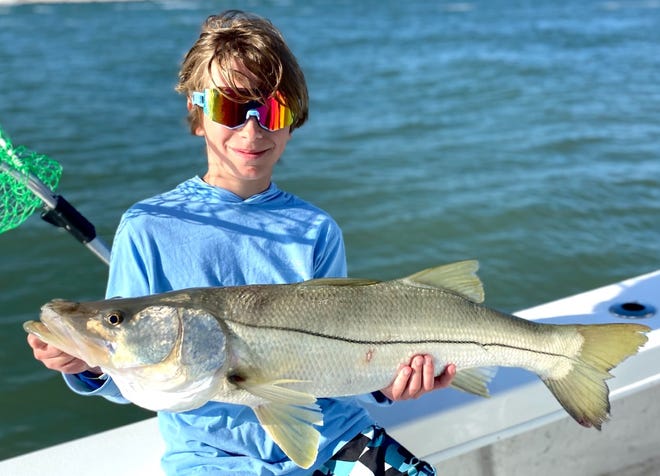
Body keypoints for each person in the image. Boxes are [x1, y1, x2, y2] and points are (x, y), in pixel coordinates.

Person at [27, 10, 456, 475]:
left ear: (293, 121)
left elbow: (338, 357)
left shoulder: (315, 229)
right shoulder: (147, 227)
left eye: (271, 111)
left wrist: (386, 384)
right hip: (212, 459)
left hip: (334, 437)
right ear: (197, 116)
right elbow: (130, 371)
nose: (252, 131)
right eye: (230, 109)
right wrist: (85, 364)